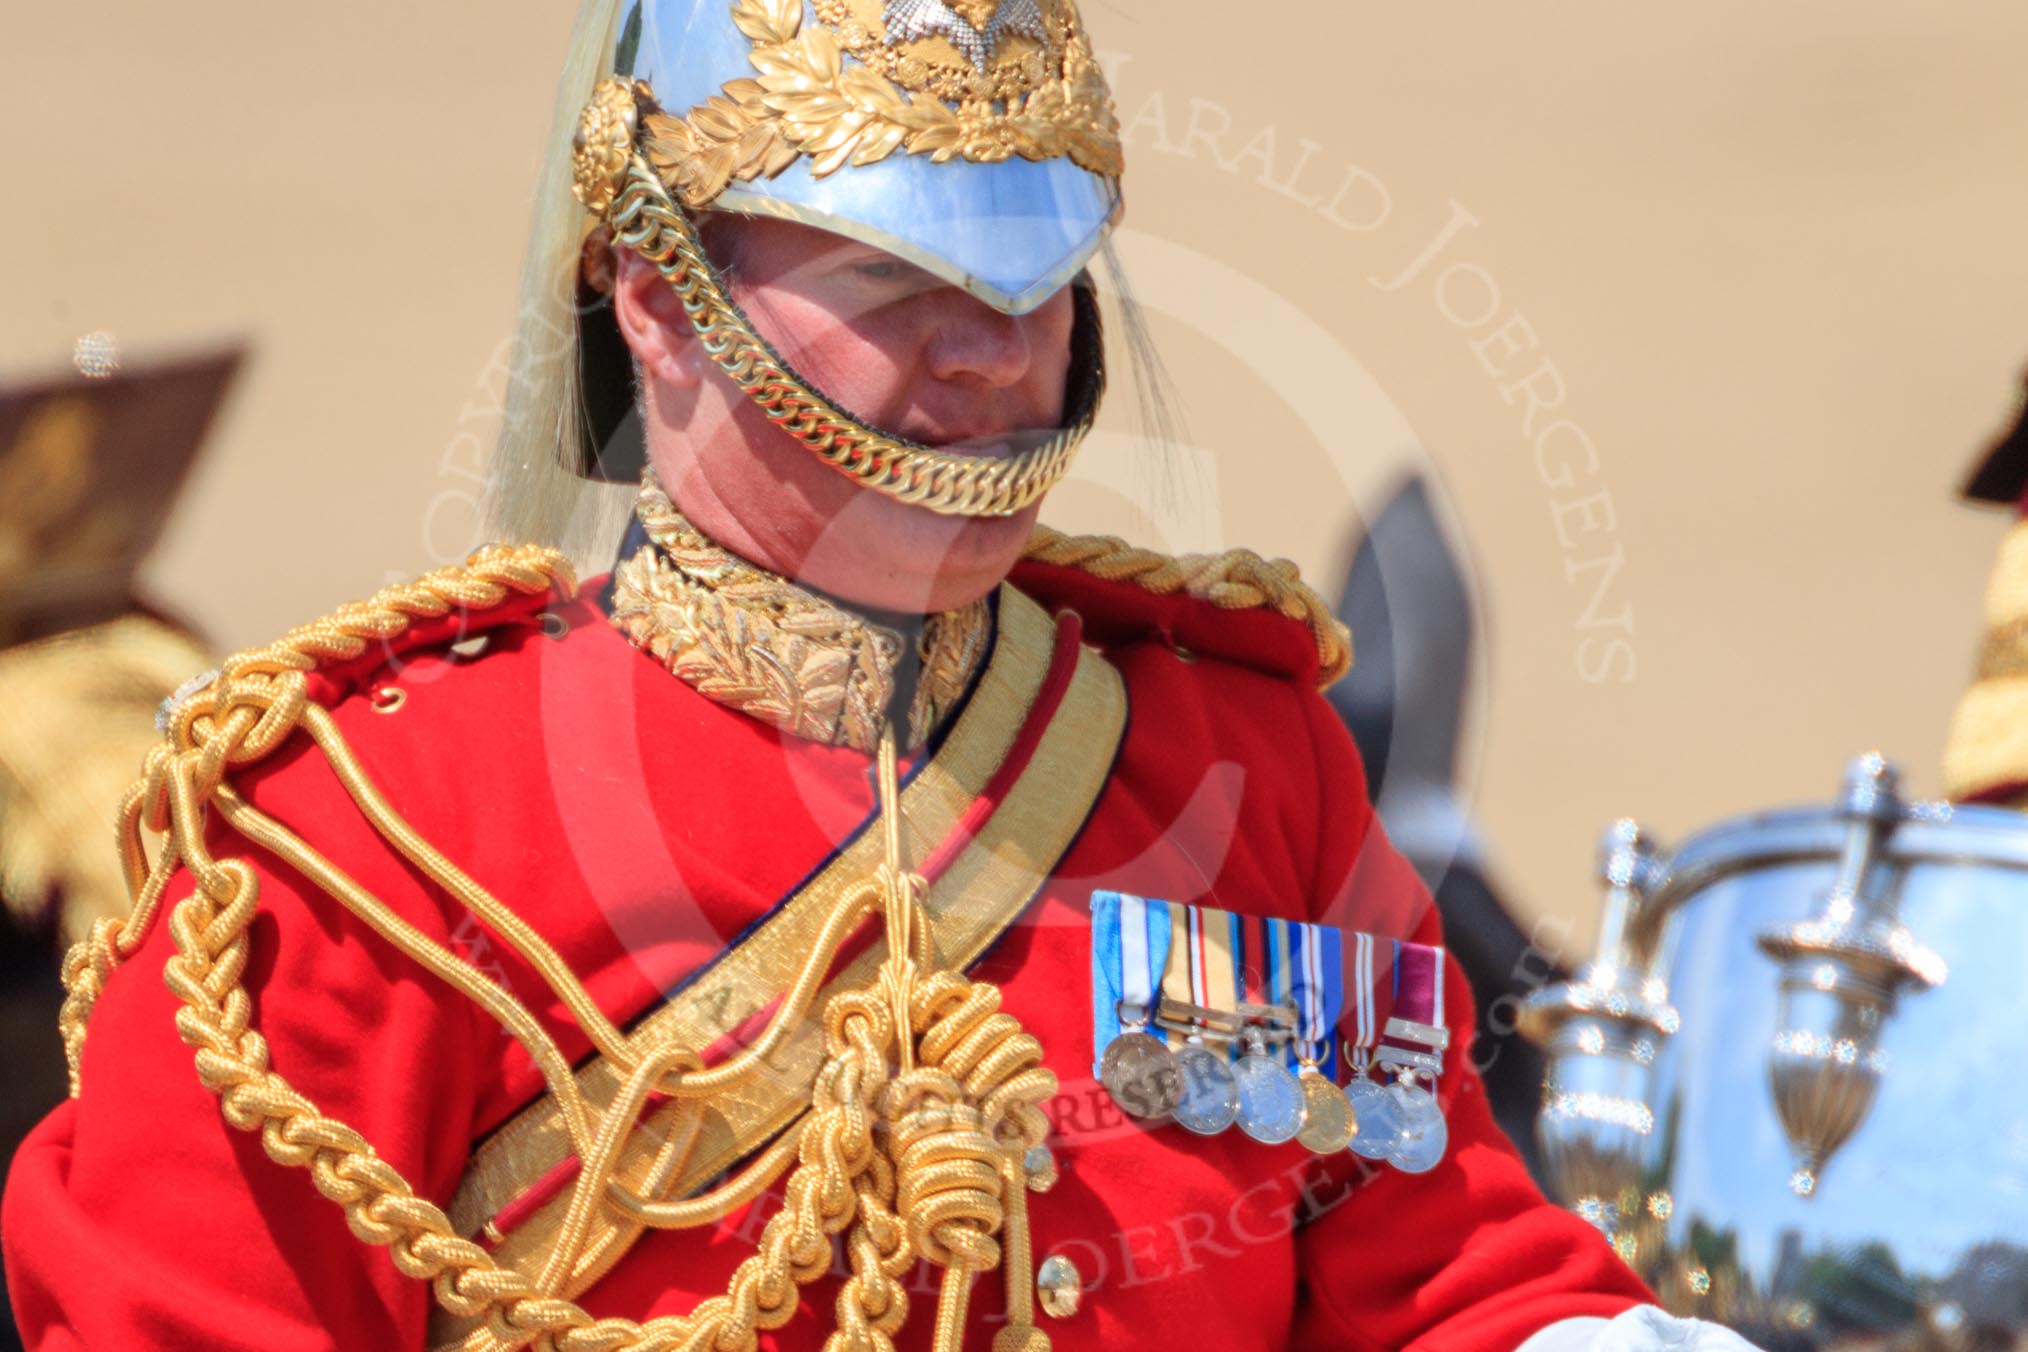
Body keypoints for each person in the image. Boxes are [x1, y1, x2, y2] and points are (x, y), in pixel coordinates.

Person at [3, 2, 1759, 1348]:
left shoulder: (1243, 763)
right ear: (656, 297)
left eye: (1040, 277)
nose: (993, 355)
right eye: (891, 273)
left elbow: (1447, 1277)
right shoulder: (365, 836)